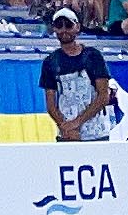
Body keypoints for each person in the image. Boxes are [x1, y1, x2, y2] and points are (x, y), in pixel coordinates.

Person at [40, 10, 113, 141]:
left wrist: (76, 123)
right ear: (54, 28)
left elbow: (103, 96)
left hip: (96, 132)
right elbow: (50, 104)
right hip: (67, 134)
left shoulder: (93, 56)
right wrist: (65, 127)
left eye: (68, 25)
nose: (64, 30)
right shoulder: (50, 61)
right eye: (59, 25)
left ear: (77, 27)